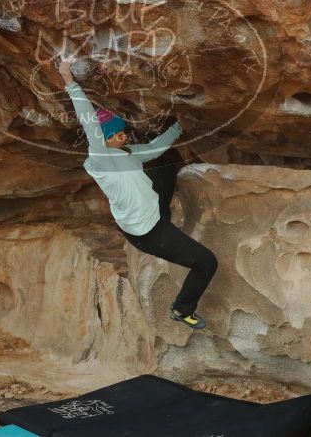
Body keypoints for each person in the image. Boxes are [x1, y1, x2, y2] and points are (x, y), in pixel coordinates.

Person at [57, 58, 217, 329]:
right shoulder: (102, 160)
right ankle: (182, 309)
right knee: (207, 263)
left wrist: (179, 127)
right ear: (104, 139)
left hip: (145, 216)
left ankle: (166, 217)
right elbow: (90, 125)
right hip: (149, 234)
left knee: (165, 170)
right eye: (118, 134)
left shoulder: (126, 153)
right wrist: (70, 82)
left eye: (124, 132)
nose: (125, 136)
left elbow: (154, 149)